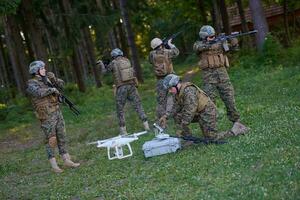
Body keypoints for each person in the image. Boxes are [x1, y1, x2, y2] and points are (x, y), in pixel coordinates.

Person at [193, 25, 249, 135]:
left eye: (213, 36)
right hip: (209, 78)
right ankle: (211, 127)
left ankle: (236, 122)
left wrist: (232, 39)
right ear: (204, 37)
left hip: (223, 75)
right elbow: (199, 48)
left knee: (229, 98)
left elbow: (234, 49)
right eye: (209, 37)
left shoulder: (219, 43)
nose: (212, 38)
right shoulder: (199, 44)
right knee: (209, 102)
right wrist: (213, 42)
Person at [26, 60, 80, 173]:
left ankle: (67, 160)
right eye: (42, 68)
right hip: (46, 115)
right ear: (36, 71)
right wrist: (52, 89)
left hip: (56, 111)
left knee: (62, 136)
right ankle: (54, 165)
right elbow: (38, 93)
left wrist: (54, 79)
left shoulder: (47, 80)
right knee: (52, 139)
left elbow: (62, 85)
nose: (44, 70)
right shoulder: (31, 83)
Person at [159, 74, 228, 141]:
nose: (169, 91)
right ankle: (188, 138)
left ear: (176, 84)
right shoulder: (177, 92)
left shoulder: (189, 91)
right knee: (177, 115)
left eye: (170, 88)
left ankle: (234, 131)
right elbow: (176, 107)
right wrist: (166, 116)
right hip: (197, 113)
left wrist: (181, 127)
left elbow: (190, 112)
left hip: (207, 112)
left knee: (212, 138)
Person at [103, 48, 149, 135]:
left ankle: (123, 131)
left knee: (120, 109)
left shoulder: (113, 63)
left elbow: (105, 72)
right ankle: (146, 125)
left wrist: (102, 65)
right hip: (131, 86)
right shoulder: (126, 60)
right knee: (138, 105)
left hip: (121, 88)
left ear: (113, 56)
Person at [149, 38, 179, 124]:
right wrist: (170, 44)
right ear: (161, 44)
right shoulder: (167, 52)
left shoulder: (152, 54)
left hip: (160, 80)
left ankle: (161, 122)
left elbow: (151, 61)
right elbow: (176, 52)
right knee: (175, 97)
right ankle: (177, 118)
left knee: (161, 101)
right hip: (171, 79)